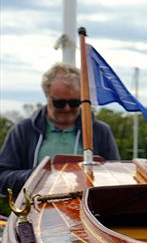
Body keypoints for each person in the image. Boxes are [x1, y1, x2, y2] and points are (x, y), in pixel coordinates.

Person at [0, 63, 120, 196]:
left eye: (74, 103)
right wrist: (38, 176)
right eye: (60, 103)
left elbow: (115, 176)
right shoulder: (23, 130)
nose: (67, 108)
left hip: (85, 210)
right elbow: (2, 177)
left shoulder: (100, 131)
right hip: (34, 212)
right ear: (47, 96)